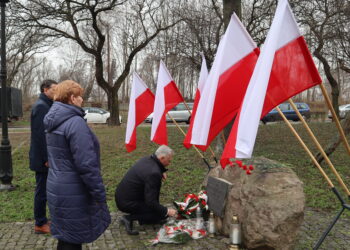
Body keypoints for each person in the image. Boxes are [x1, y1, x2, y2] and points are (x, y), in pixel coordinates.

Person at [44, 80, 110, 250]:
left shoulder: (53, 120)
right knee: (72, 240)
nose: (82, 99)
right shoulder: (75, 123)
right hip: (74, 189)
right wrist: (99, 194)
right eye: (80, 96)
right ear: (72, 98)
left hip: (56, 185)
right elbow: (86, 165)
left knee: (66, 236)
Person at [115, 145, 177, 235]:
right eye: (169, 160)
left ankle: (145, 220)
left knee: (159, 213)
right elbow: (151, 202)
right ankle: (128, 218)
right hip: (128, 203)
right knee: (160, 214)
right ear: (162, 158)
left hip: (122, 196)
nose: (169, 163)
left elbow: (153, 168)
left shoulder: (147, 159)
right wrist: (167, 211)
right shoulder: (154, 173)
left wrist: (161, 170)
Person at [29, 79, 57, 234]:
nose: (56, 91)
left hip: (43, 157)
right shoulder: (41, 107)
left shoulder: (45, 105)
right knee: (42, 191)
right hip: (42, 159)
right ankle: (40, 223)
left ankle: (43, 220)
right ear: (46, 89)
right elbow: (41, 136)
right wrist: (47, 158)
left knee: (44, 190)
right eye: (54, 89)